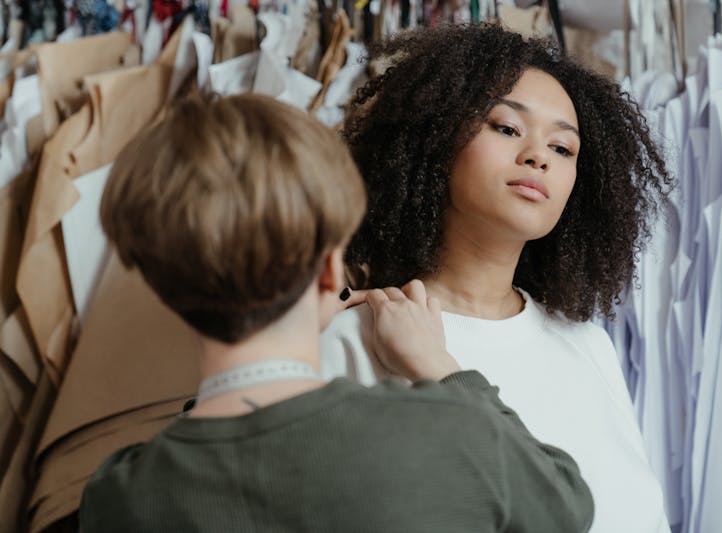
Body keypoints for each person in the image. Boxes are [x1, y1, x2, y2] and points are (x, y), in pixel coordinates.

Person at [78, 93, 595, 533]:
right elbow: (562, 501)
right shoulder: (447, 436)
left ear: (162, 287)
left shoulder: (116, 496)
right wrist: (442, 368)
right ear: (330, 272)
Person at [321, 23, 673, 533]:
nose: (538, 157)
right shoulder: (352, 340)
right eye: (507, 128)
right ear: (436, 137)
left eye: (563, 149)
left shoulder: (588, 347)